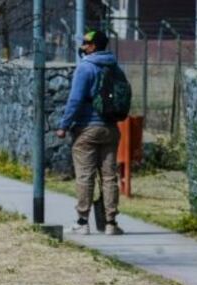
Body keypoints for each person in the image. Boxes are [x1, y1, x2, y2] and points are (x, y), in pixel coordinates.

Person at [55, 30, 128, 236]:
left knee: (85, 175)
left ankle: (82, 221)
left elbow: (76, 100)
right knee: (109, 177)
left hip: (87, 128)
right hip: (111, 128)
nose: (83, 46)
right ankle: (111, 223)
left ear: (94, 46)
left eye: (86, 43)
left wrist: (64, 125)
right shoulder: (115, 67)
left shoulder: (86, 68)